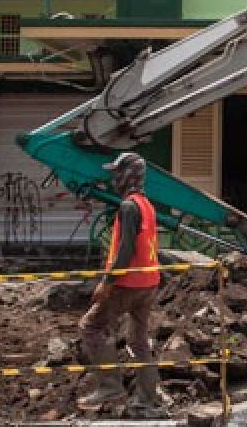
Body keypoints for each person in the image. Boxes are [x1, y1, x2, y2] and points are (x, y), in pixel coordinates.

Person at [78, 152, 166, 415]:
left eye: (117, 173)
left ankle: (110, 386)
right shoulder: (147, 205)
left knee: (92, 326)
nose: (113, 178)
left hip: (128, 283)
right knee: (138, 341)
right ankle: (146, 399)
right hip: (149, 281)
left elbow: (125, 249)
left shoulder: (128, 207)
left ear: (127, 176)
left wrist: (107, 281)